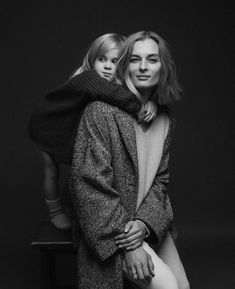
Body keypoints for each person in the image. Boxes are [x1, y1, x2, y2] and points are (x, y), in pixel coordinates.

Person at [70, 31, 189, 289]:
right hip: (112, 229)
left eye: (152, 59)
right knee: (168, 286)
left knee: (182, 287)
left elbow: (160, 181)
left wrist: (145, 225)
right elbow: (89, 188)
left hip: (145, 222)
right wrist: (129, 245)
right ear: (125, 65)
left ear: (164, 66)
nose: (143, 67)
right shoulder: (100, 111)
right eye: (135, 59)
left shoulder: (165, 119)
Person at [29, 33, 157, 230]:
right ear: (92, 60)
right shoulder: (87, 78)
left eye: (114, 61)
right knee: (51, 170)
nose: (107, 66)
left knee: (80, 168)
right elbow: (116, 95)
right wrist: (139, 107)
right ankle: (55, 211)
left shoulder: (117, 87)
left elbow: (133, 92)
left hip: (72, 131)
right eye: (101, 59)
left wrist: (152, 102)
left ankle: (74, 209)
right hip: (48, 124)